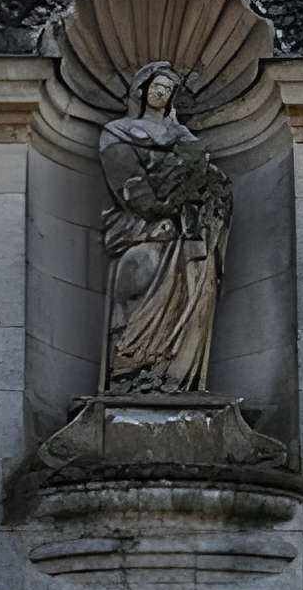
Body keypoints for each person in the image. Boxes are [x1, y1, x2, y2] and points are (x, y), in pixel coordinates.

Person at [98, 61, 232, 396]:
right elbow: (127, 182)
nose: (161, 92)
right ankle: (130, 367)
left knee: (197, 281)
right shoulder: (118, 131)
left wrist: (199, 195)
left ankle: (173, 372)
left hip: (185, 228)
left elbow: (205, 173)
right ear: (142, 90)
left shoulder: (183, 137)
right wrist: (161, 203)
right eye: (156, 86)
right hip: (141, 225)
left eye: (168, 88)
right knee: (143, 269)